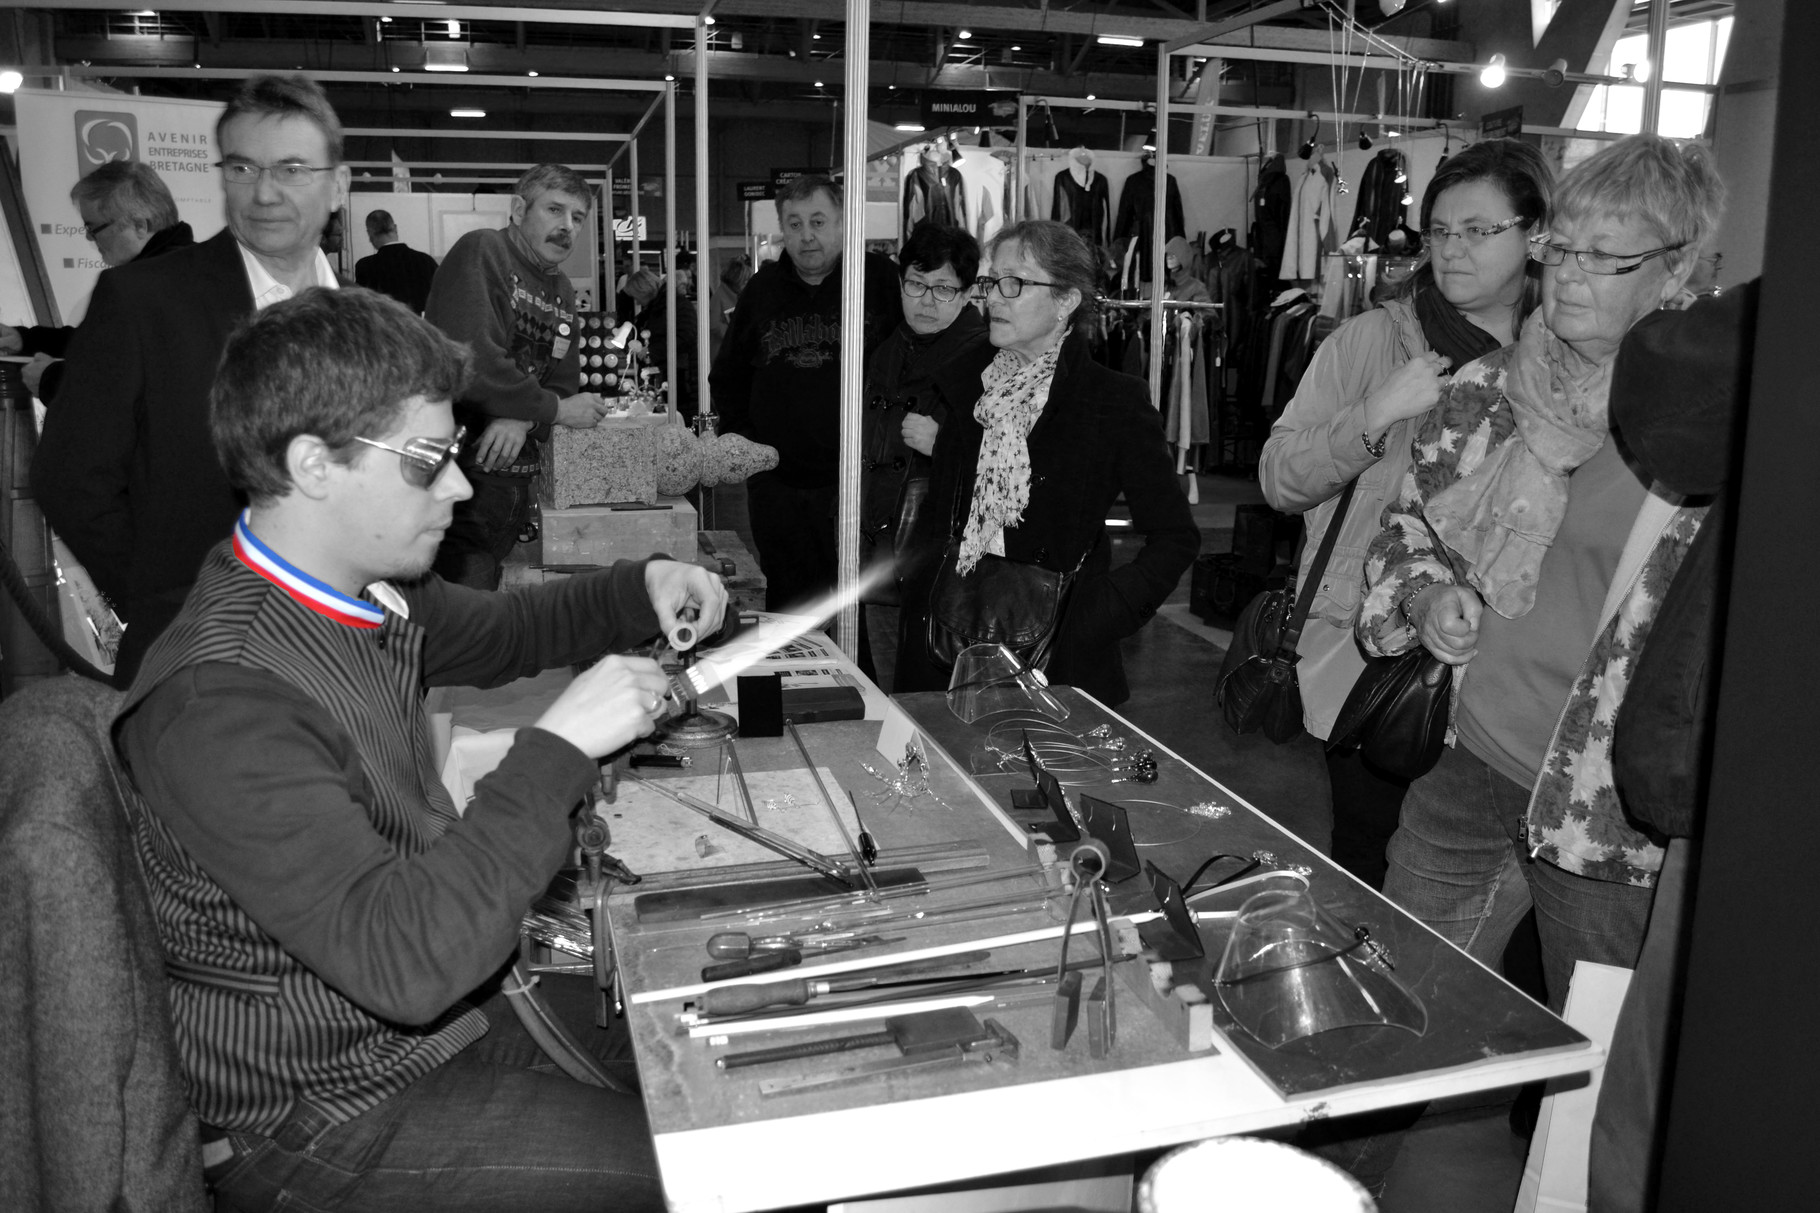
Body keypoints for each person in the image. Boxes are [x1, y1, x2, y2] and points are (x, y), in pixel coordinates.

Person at [115, 285, 725, 1213]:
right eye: (427, 461)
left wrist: (646, 583)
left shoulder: (357, 589)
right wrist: (555, 746)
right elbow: (406, 961)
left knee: (714, 1086)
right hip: (316, 1106)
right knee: (697, 1185)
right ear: (313, 464)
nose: (461, 484)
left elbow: (510, 629)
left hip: (429, 1014)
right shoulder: (222, 700)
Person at [1356, 135, 1727, 1010]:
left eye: (1605, 256)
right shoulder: (1490, 390)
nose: (1569, 274)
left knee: (1591, 1081)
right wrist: (1427, 592)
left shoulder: (1709, 431)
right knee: (1385, 1010)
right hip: (1468, 756)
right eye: (1562, 247)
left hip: (1604, 812)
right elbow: (1404, 525)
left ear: (1675, 270)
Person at [1260, 138, 1554, 890]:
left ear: (1537, 233)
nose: (1453, 251)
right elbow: (1280, 478)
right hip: (1377, 660)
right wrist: (1373, 414)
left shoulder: (1565, 360)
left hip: (1517, 681)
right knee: (1375, 874)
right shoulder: (1371, 340)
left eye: (1479, 230)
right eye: (1441, 233)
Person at [34, 73, 348, 686]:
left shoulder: (368, 320)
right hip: (196, 658)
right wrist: (166, 598)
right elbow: (70, 477)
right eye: (242, 169)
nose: (264, 193)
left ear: (337, 185)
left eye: (291, 169)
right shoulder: (144, 301)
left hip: (348, 654)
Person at [894, 219, 1200, 705]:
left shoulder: (1110, 401)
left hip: (1056, 657)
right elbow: (942, 516)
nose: (993, 297)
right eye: (992, 281)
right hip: (945, 643)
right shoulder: (967, 388)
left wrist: (1095, 615)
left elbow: (1175, 536)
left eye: (1014, 283)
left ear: (1065, 301)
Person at [709, 174, 901, 613]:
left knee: (863, 608)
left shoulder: (880, 282)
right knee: (791, 608)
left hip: (861, 484)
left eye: (817, 221)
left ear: (842, 223)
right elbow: (728, 376)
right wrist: (749, 449)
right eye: (794, 224)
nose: (806, 235)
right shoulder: (762, 290)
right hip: (781, 489)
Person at [425, 163, 609, 590]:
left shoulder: (561, 289)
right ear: (518, 209)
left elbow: (563, 380)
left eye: (577, 218)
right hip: (458, 482)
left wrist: (523, 417)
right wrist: (554, 410)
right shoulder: (483, 251)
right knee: (458, 622)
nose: (567, 227)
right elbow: (474, 363)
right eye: (554, 210)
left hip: (514, 482)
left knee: (488, 609)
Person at [860, 222, 992, 650]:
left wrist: (948, 443)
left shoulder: (988, 360)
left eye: (943, 289)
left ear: (969, 293)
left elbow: (1019, 467)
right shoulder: (886, 345)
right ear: (901, 283)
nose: (927, 301)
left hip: (942, 555)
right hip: (879, 545)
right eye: (917, 285)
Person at [0, 160, 194, 403]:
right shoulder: (201, 269)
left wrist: (51, 380)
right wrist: (26, 339)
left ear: (140, 225)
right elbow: (98, 342)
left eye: (93, 228)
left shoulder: (134, 284)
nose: (89, 238)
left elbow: (118, 385)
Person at [623, 266, 701, 420]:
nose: (636, 301)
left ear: (644, 291)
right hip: (671, 376)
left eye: (636, 296)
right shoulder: (657, 308)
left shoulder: (676, 306)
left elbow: (685, 337)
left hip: (681, 379)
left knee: (679, 421)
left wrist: (651, 351)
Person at [355, 208, 439, 313]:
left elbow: (362, 307)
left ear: (370, 233)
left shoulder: (365, 267)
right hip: (421, 326)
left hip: (385, 327)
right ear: (395, 228)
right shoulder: (426, 261)